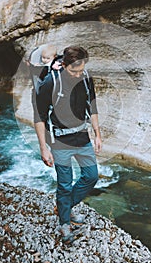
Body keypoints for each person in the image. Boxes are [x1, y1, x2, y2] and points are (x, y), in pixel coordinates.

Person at [34, 46, 102, 244]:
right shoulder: (49, 83)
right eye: (73, 71)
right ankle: (64, 222)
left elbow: (93, 107)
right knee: (64, 185)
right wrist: (43, 148)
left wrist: (97, 134)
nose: (78, 75)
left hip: (82, 137)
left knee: (91, 176)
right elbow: (39, 118)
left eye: (81, 70)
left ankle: (63, 207)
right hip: (60, 141)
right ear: (63, 65)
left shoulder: (86, 79)